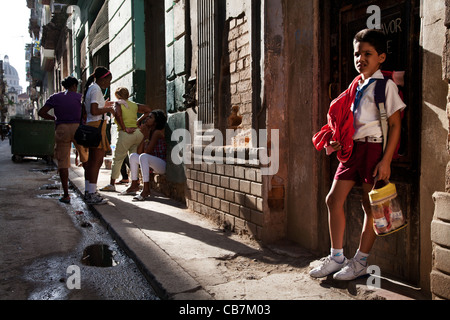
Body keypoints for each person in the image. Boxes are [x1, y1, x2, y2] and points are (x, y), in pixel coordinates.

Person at [310, 29, 406, 280]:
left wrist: (385, 160)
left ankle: (361, 261)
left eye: (367, 53)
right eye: (357, 54)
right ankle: (337, 256)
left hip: (373, 150)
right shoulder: (355, 85)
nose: (360, 58)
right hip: (352, 150)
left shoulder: (386, 87)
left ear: (381, 58)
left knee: (370, 206)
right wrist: (340, 140)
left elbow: (396, 125)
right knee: (333, 199)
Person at [37, 76, 89, 204]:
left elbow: (41, 112)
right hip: (77, 128)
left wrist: (54, 118)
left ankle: (66, 195)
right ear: (74, 86)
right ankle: (90, 190)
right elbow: (85, 113)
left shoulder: (55, 97)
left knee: (63, 162)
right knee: (86, 158)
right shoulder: (79, 97)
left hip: (61, 129)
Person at [100, 87, 152, 192]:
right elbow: (148, 110)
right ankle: (135, 183)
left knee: (117, 159)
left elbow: (118, 115)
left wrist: (124, 128)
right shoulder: (133, 104)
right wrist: (138, 121)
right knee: (134, 158)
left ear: (117, 95)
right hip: (137, 134)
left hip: (126, 134)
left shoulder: (118, 104)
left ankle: (111, 184)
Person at [83, 66, 115, 205]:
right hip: (96, 127)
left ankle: (89, 190)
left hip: (94, 126)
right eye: (108, 80)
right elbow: (94, 110)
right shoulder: (96, 89)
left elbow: (93, 109)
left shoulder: (92, 88)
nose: (109, 84)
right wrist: (109, 109)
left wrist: (105, 104)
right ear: (103, 79)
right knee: (96, 161)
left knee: (92, 162)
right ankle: (91, 193)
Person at [123, 109, 167, 201]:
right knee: (133, 156)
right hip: (152, 164)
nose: (147, 119)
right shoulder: (149, 131)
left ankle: (146, 189)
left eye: (150, 118)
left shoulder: (157, 133)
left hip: (162, 164)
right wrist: (144, 136)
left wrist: (145, 136)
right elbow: (139, 153)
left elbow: (146, 152)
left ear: (156, 121)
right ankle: (134, 185)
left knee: (144, 156)